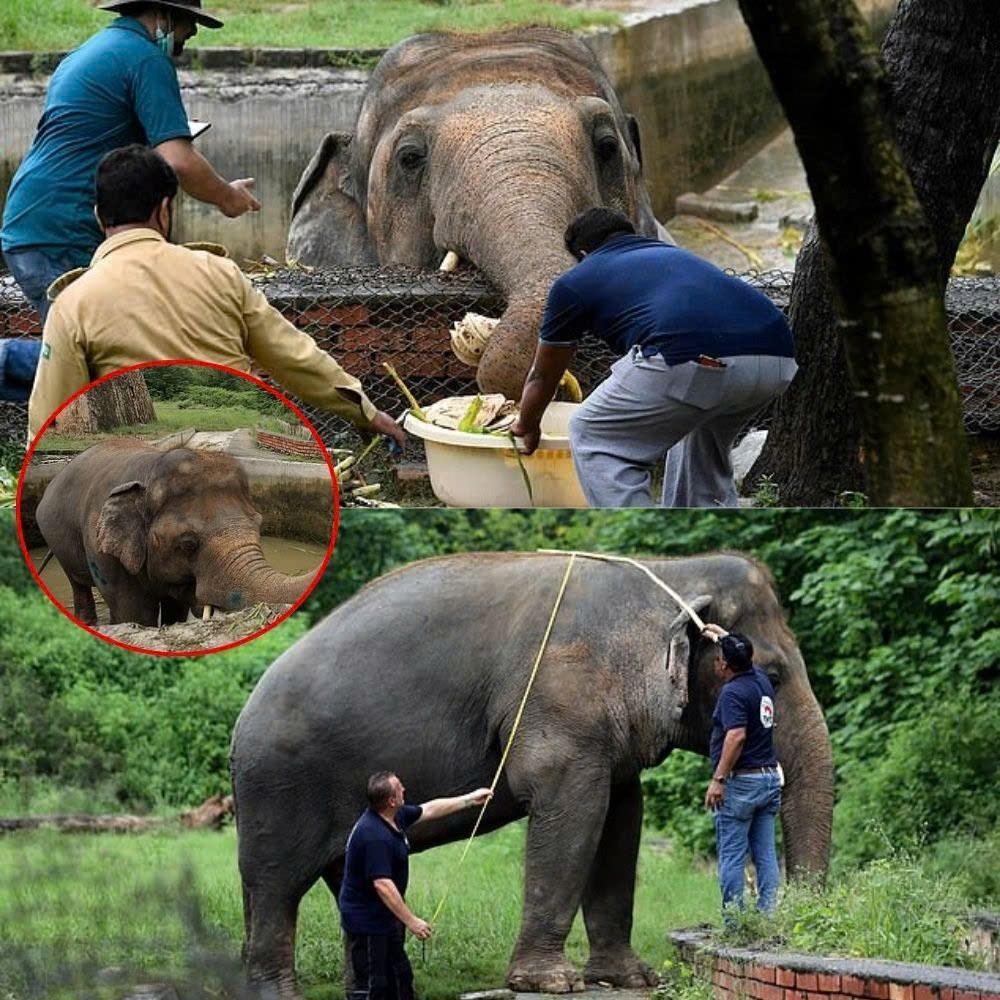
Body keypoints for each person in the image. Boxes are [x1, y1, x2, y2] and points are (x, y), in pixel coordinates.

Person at [27, 145, 405, 454]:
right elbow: (294, 356)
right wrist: (364, 410)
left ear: (98, 217)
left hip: (141, 477)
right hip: (238, 460)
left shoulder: (73, 303)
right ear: (164, 210)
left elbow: (51, 424)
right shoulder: (221, 273)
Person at [1, 0, 259, 399]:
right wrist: (228, 197)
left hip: (39, 220)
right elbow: (179, 160)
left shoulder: (91, 52)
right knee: (99, 362)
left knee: (99, 365)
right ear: (164, 17)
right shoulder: (144, 59)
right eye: (187, 25)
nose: (189, 36)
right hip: (62, 227)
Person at [510, 208, 798, 507]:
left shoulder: (575, 280)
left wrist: (526, 424)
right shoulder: (674, 256)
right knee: (699, 448)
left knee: (595, 435)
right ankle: (700, 541)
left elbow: (543, 375)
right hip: (777, 360)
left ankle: (637, 537)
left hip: (695, 358)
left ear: (582, 253)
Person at [340, 771, 492, 1000]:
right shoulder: (374, 836)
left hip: (386, 918)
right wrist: (412, 921)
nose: (404, 790)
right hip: (367, 925)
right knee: (374, 987)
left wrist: (470, 799)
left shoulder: (393, 816)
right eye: (400, 788)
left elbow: (429, 809)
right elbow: (382, 885)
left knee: (401, 978)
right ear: (391, 800)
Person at [702, 625, 782, 922]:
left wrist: (718, 779)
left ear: (724, 665)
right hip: (769, 778)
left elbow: (736, 737)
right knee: (765, 854)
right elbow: (743, 657)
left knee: (732, 855)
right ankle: (767, 918)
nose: (715, 663)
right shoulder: (761, 680)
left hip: (742, 783)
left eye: (718, 658)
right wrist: (724, 638)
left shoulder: (732, 693)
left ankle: (734, 924)